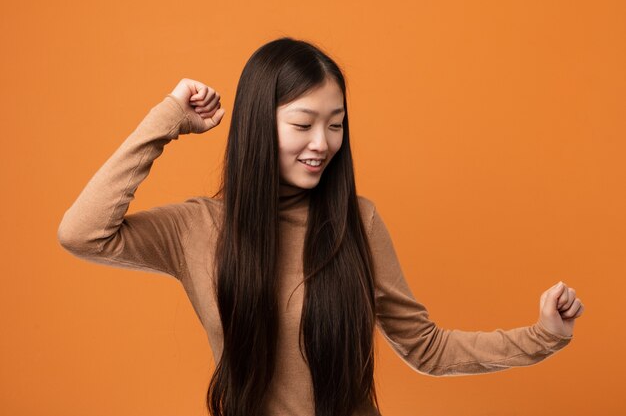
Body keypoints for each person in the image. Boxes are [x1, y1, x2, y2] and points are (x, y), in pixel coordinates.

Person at [57, 37, 584, 416]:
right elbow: (83, 233)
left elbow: (426, 347)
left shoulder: (358, 221)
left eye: (335, 125)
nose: (322, 143)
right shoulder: (197, 228)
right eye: (303, 124)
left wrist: (542, 336)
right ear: (258, 124)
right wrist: (168, 118)